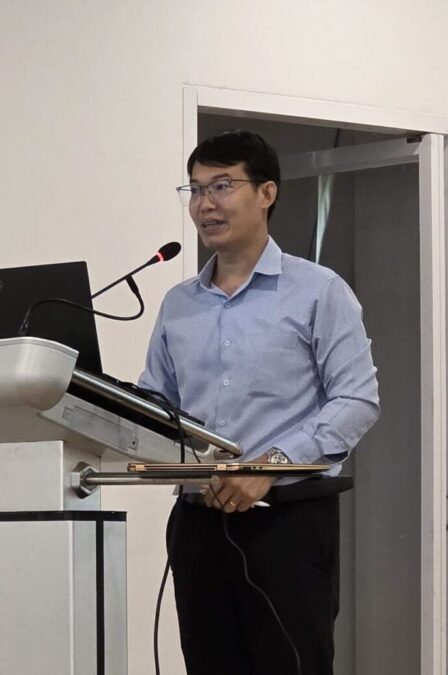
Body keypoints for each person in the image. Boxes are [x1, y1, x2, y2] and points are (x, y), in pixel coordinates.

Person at [138, 129, 380, 675]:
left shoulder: (318, 290)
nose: (205, 204)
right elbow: (158, 402)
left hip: (286, 524)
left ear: (267, 192)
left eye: (222, 186)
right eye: (195, 189)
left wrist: (267, 466)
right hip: (198, 523)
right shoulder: (179, 305)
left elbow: (357, 399)